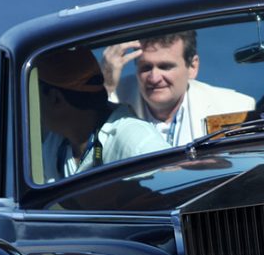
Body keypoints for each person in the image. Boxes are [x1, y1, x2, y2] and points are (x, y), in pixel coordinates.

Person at [101, 31, 254, 145]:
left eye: (165, 67)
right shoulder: (109, 102)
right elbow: (85, 155)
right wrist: (105, 85)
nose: (154, 78)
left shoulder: (233, 108)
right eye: (146, 68)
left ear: (192, 67)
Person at [36, 49, 167, 182]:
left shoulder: (139, 144)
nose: (36, 106)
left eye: (36, 95)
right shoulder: (52, 141)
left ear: (55, 98)